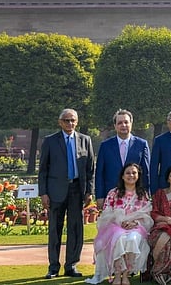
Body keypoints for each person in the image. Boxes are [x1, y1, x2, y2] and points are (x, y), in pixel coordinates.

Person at [39, 108, 95, 279]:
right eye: (66, 120)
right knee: (55, 230)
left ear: (77, 122)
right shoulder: (50, 141)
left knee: (76, 229)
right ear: (60, 122)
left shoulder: (85, 140)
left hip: (77, 190)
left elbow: (90, 169)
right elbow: (43, 170)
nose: (70, 123)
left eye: (72, 120)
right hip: (55, 191)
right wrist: (43, 193)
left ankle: (71, 265)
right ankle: (53, 267)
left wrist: (89, 191)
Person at [87, 163, 154, 284]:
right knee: (119, 239)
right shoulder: (113, 193)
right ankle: (117, 274)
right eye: (128, 173)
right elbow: (107, 213)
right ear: (122, 176)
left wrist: (134, 222)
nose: (131, 175)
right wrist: (120, 221)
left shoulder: (142, 194)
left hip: (136, 227)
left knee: (133, 239)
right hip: (116, 226)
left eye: (134, 173)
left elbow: (147, 214)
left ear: (138, 175)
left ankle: (126, 274)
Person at [95, 109, 150, 209]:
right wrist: (99, 196)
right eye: (120, 123)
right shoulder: (105, 146)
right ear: (115, 126)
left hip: (135, 196)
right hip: (111, 196)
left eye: (126, 122)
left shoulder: (141, 144)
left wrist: (146, 194)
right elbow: (99, 173)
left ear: (131, 124)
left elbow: (146, 172)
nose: (123, 125)